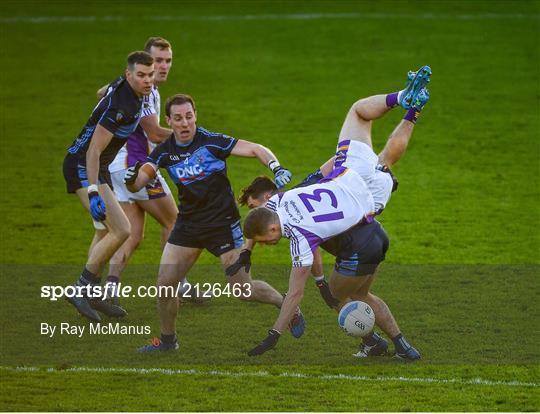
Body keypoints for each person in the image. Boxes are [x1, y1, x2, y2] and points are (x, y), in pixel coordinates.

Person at [243, 66, 431, 359]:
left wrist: (273, 335)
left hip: (371, 202)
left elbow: (295, 293)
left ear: (270, 229)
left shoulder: (299, 238)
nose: (268, 245)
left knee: (340, 298)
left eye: (265, 241)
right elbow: (258, 215)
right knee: (359, 112)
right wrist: (249, 246)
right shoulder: (278, 201)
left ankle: (374, 342)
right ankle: (408, 104)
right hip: (350, 171)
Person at [124, 93, 304, 352]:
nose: (185, 123)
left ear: (195, 115)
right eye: (178, 118)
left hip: (223, 226)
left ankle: (286, 304)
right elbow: (141, 180)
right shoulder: (165, 152)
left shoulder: (211, 142)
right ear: (169, 121)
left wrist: (275, 167)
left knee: (243, 291)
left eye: (189, 116)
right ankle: (167, 341)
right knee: (164, 286)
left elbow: (255, 149)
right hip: (188, 227)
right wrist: (131, 178)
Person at [62, 51, 155, 322]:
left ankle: (90, 293)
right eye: (141, 75)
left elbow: (100, 91)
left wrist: (109, 92)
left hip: (95, 166)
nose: (147, 81)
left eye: (150, 75)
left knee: (105, 231)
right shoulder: (121, 107)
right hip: (83, 166)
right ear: (130, 75)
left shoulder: (123, 85)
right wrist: (92, 191)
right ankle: (81, 288)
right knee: (123, 229)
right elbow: (93, 150)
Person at [97, 37, 185, 305]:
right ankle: (176, 284)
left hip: (115, 168)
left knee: (131, 234)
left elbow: (101, 92)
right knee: (175, 221)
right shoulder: (146, 93)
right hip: (133, 166)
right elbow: (157, 134)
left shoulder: (137, 87)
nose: (163, 66)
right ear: (145, 61)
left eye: (168, 60)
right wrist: (191, 137)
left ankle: (110, 287)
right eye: (157, 60)